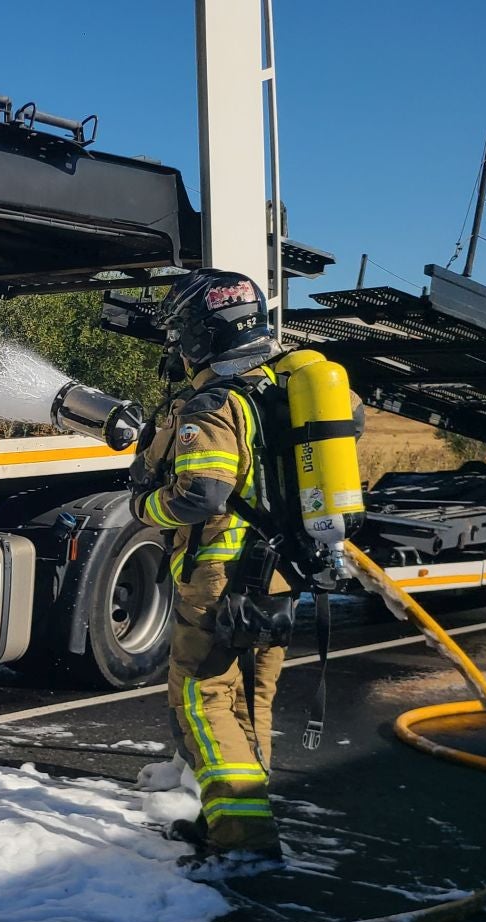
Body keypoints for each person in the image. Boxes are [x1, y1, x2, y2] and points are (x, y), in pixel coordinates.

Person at [129, 270, 285, 860]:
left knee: (203, 699)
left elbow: (202, 495)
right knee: (250, 700)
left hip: (223, 579)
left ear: (203, 336)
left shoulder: (215, 404)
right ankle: (238, 820)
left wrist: (144, 504)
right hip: (281, 573)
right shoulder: (277, 390)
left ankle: (242, 840)